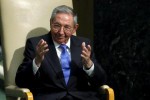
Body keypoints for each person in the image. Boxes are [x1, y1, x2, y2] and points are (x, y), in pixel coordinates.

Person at [15, 5, 106, 100]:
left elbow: (100, 81)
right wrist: (37, 61)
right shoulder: (36, 44)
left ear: (75, 28)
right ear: (51, 23)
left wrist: (89, 64)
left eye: (67, 27)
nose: (61, 32)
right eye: (57, 26)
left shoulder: (84, 44)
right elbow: (21, 81)